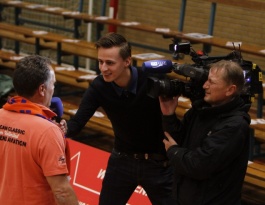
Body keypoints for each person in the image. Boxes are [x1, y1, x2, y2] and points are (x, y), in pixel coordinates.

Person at [66, 32, 176, 205]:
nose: (103, 68)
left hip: (158, 165)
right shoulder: (99, 86)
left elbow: (172, 118)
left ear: (127, 61)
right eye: (100, 62)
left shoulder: (152, 81)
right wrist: (59, 129)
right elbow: (77, 122)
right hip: (121, 161)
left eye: (110, 63)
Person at [159, 60, 251, 205]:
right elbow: (177, 140)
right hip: (184, 197)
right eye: (206, 80)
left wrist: (174, 152)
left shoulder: (235, 125)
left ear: (230, 90)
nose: (204, 86)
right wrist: (169, 115)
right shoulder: (201, 110)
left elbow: (199, 165)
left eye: (211, 82)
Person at [0, 55, 78, 205]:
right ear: (42, 89)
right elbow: (62, 192)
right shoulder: (47, 131)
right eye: (53, 84)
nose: (53, 89)